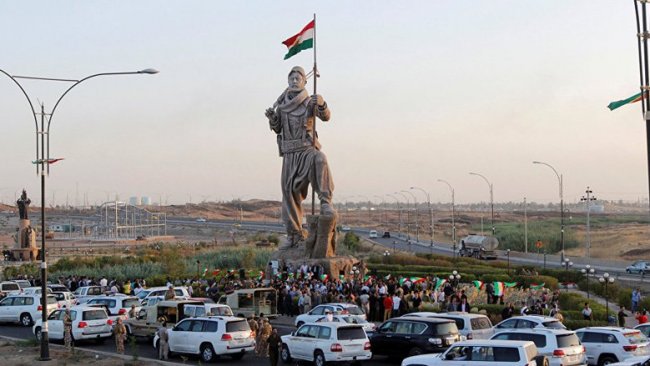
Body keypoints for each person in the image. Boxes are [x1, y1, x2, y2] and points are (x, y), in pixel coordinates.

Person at [265, 66, 335, 247]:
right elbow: (278, 127)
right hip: (289, 154)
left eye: (298, 78)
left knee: (321, 159)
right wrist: (272, 118)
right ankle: (294, 234)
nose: (295, 81)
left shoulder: (308, 101)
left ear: (304, 81)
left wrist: (321, 103)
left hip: (306, 149)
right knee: (289, 194)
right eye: (292, 78)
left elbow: (326, 117)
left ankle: (326, 202)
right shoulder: (282, 105)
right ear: (288, 82)